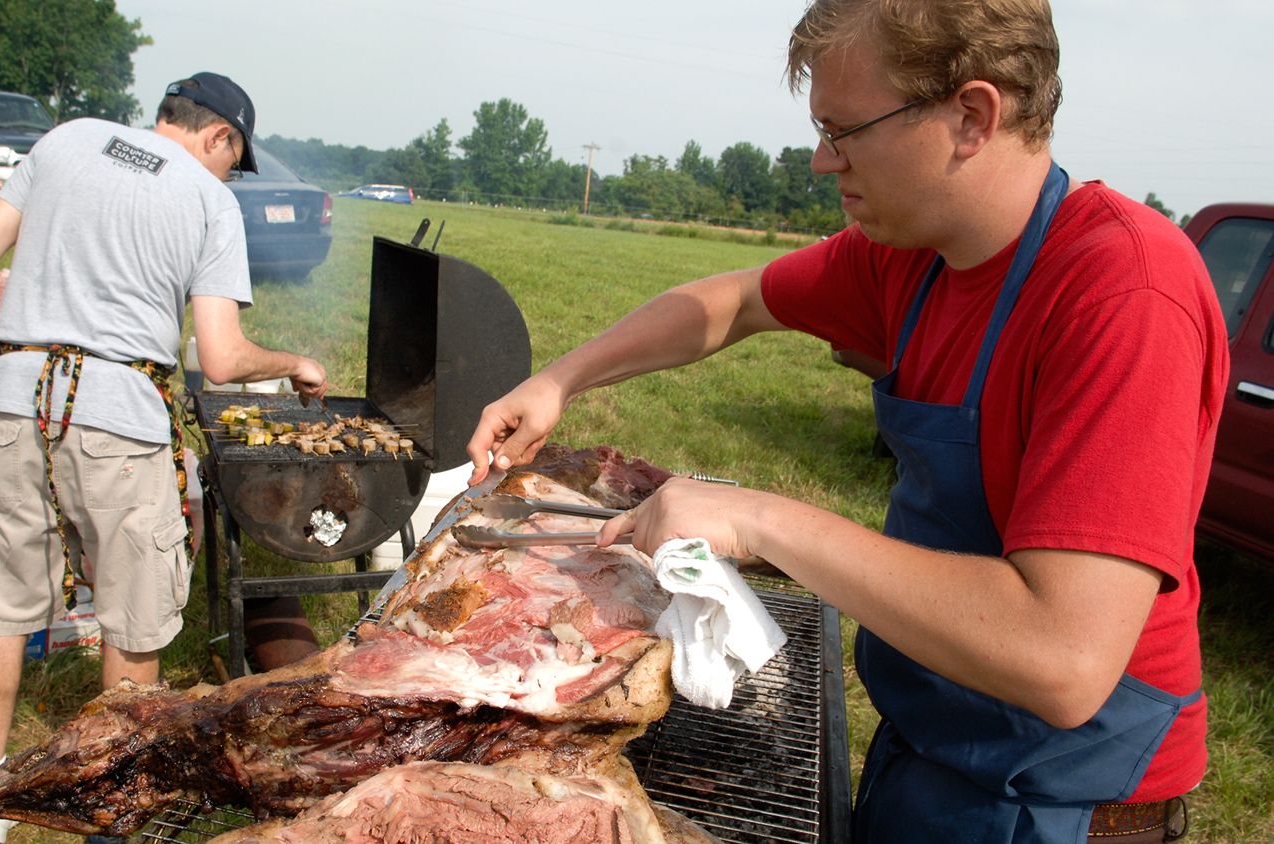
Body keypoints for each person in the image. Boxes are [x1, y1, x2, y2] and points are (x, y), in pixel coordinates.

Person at [466, 2, 1225, 842]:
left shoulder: (1122, 292)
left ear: (971, 116)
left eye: (845, 129)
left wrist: (759, 516)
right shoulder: (914, 258)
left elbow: (1063, 660)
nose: (824, 161)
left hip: (1059, 802)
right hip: (929, 746)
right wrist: (560, 379)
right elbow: (738, 300)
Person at [0, 72, 328, 844]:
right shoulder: (212, 200)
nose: (228, 175)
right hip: (120, 419)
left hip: (13, 396)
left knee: (0, 612)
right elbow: (219, 357)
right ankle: (107, 810)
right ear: (220, 137)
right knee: (133, 621)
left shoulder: (66, 137)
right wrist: (295, 360)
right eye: (234, 159)